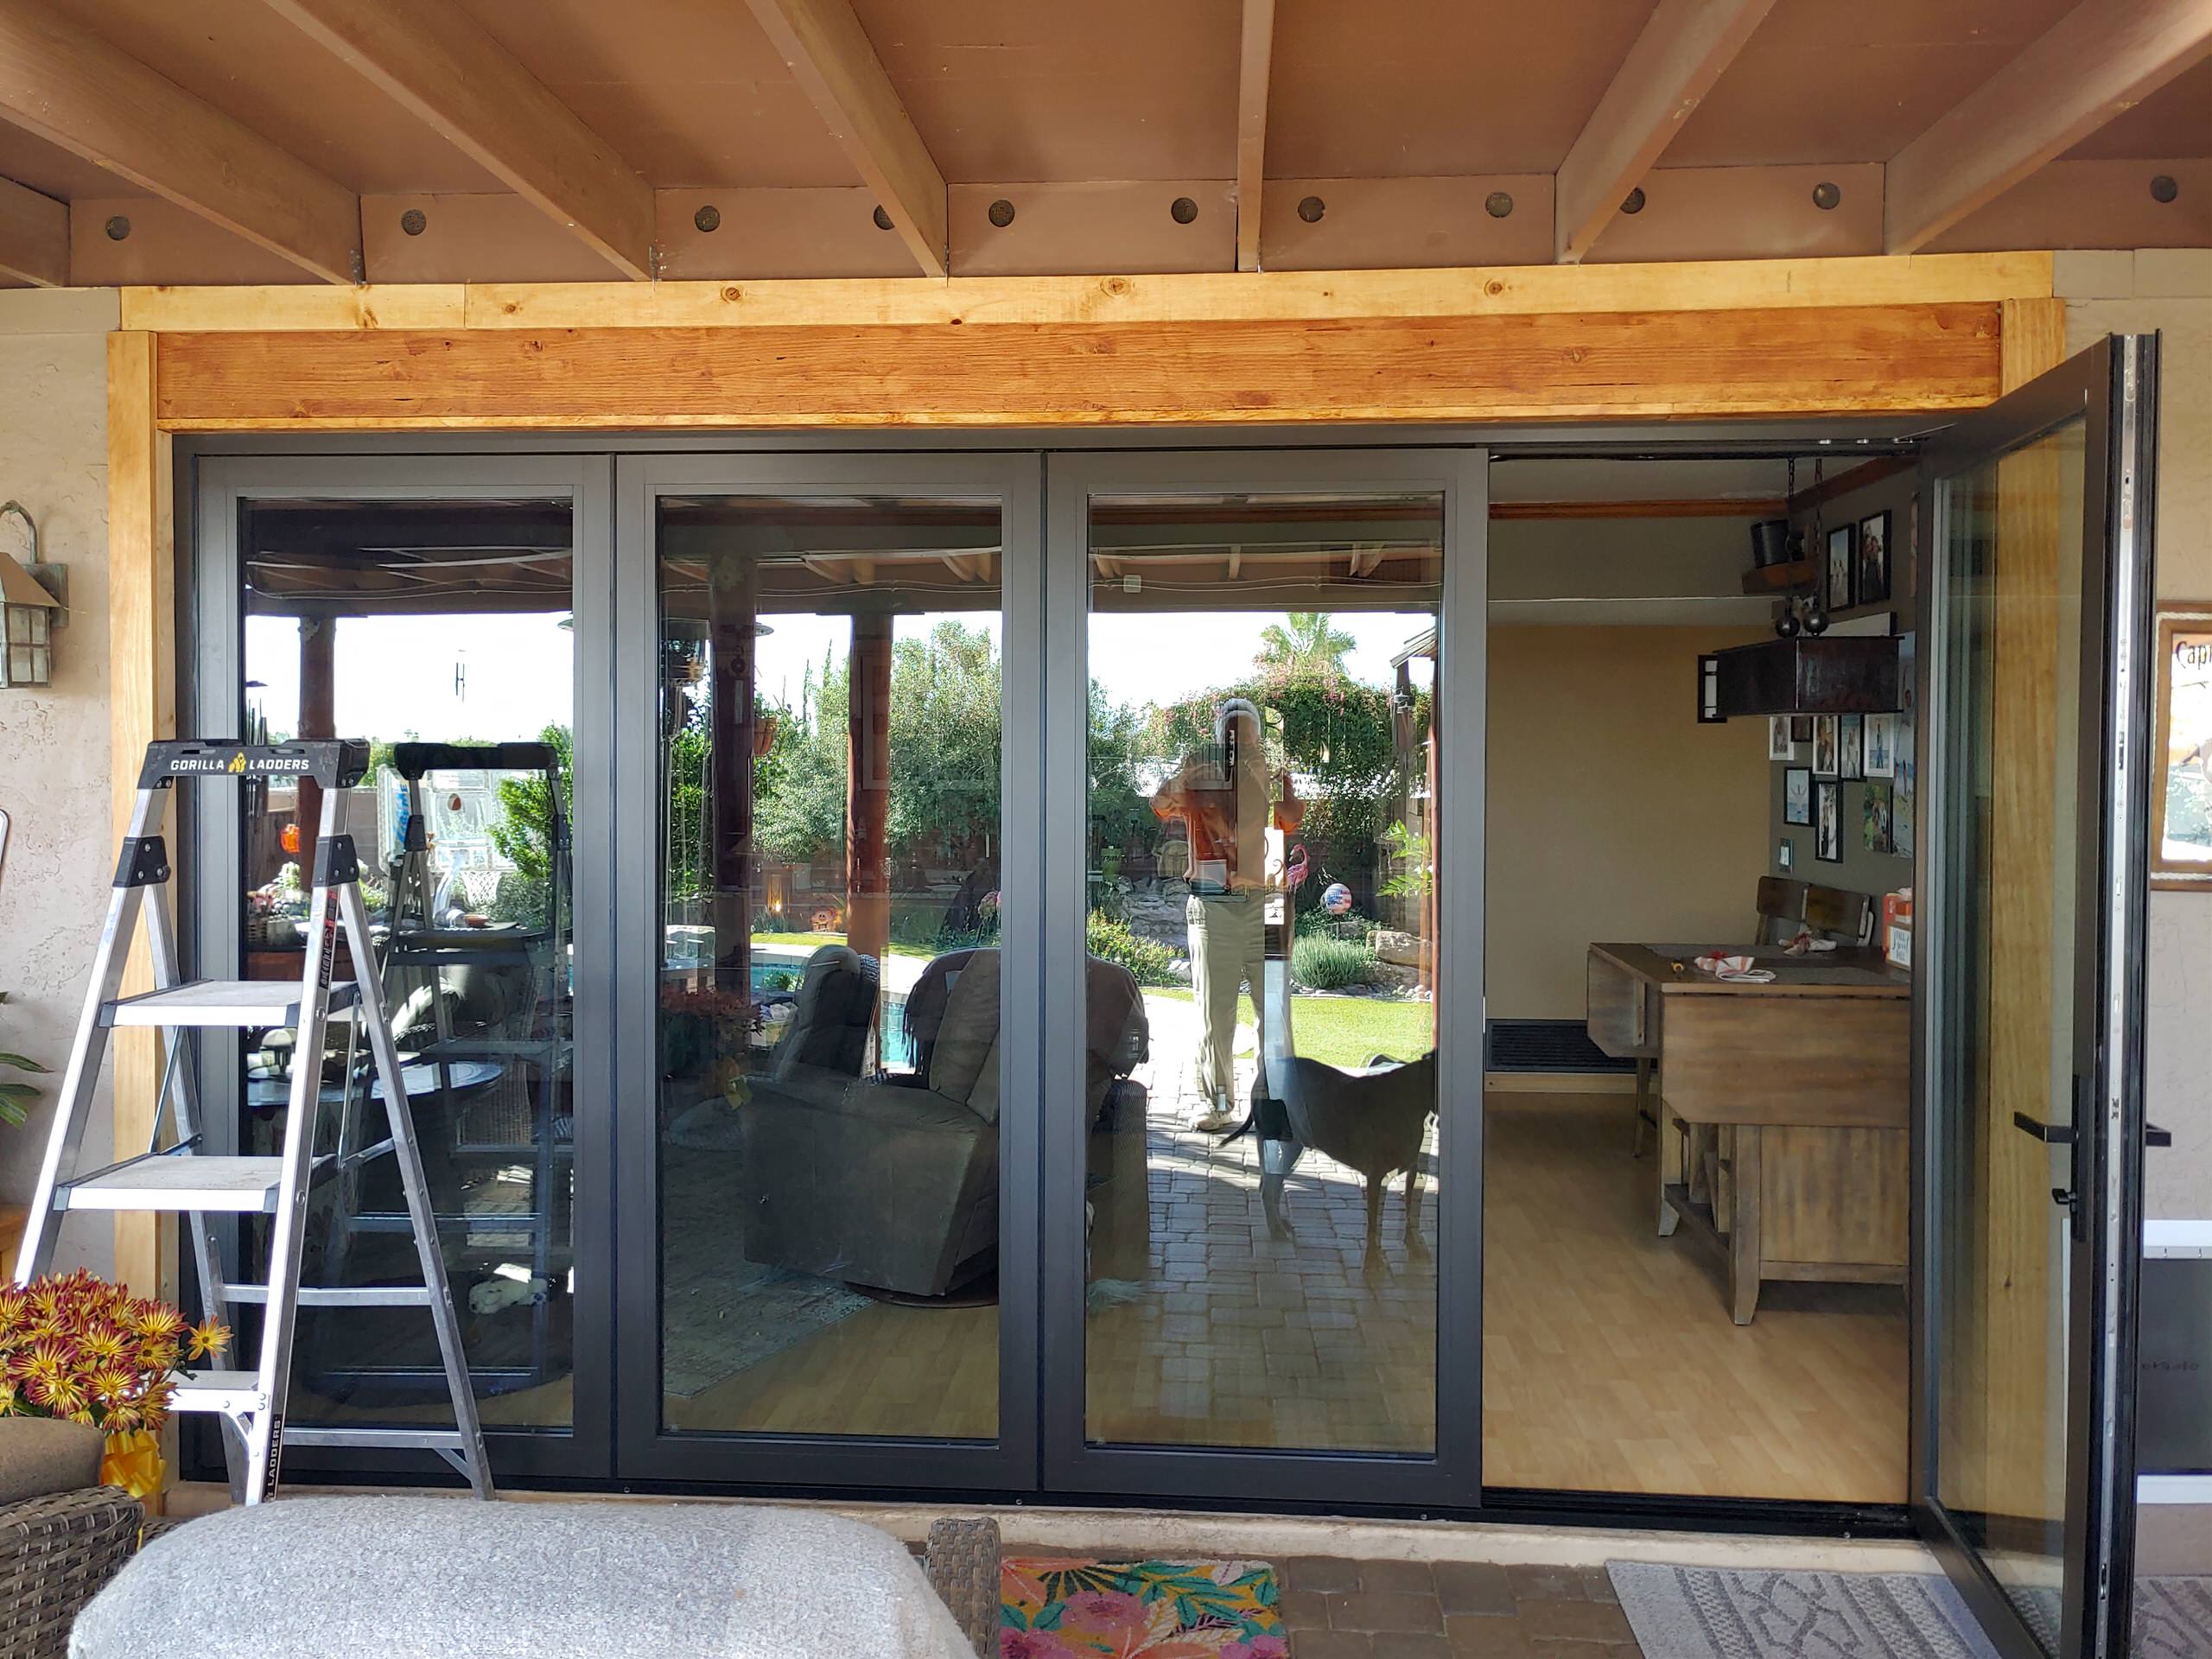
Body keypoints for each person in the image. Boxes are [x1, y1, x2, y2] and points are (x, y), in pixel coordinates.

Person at [1150, 699, 1304, 1133]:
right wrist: (1185, 774)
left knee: (1274, 1011)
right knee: (1214, 1014)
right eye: (1230, 734)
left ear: (1257, 736)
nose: (1238, 741)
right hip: (1214, 903)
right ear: (1220, 737)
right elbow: (1161, 806)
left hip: (1269, 902)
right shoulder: (1200, 776)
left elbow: (1290, 821)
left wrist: (1283, 788)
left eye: (1246, 732)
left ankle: (1275, 1106)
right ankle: (1217, 1103)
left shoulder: (1269, 772)